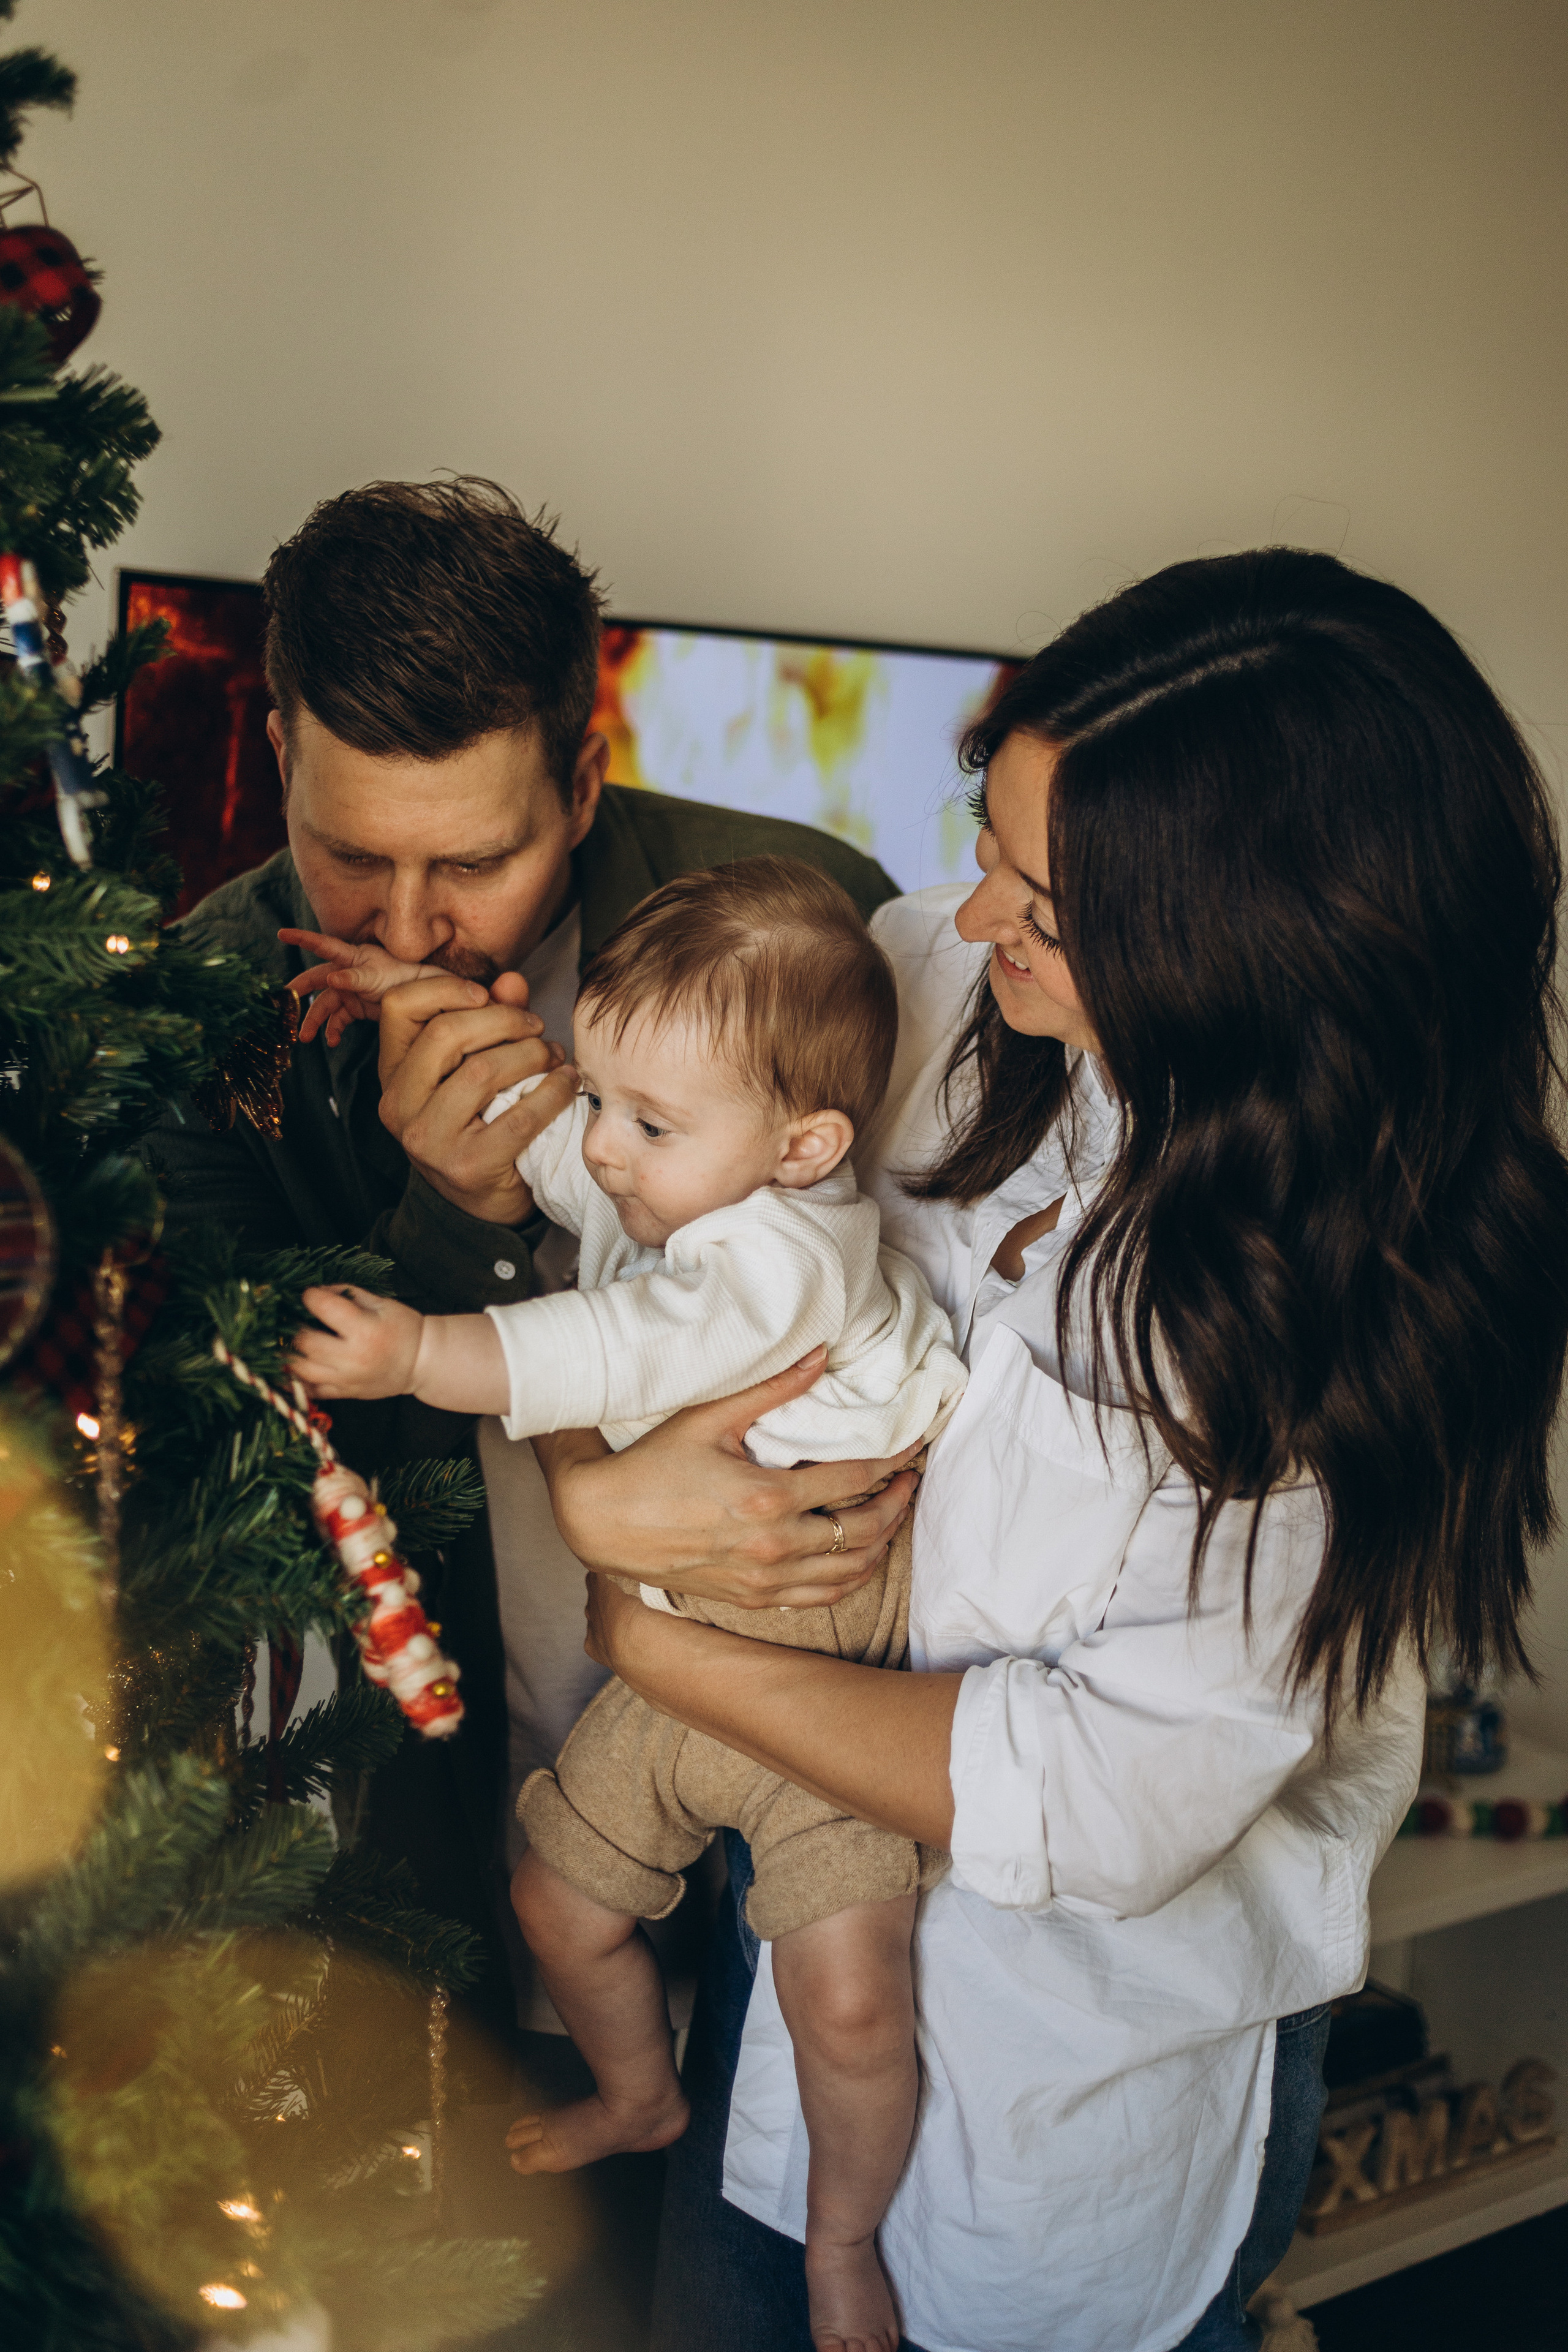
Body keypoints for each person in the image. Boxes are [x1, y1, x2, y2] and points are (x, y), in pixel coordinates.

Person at [484, 550, 1568, 2351]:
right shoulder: (923, 982)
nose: (970, 918)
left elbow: (1102, 1798)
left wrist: (658, 1637)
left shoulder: (1320, 1325)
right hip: (802, 1930)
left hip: (1061, 2076)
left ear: (1239, 959)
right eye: (983, 839)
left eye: (1044, 906)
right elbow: (699, 1288)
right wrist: (601, 1483)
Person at [145, 477, 904, 2045]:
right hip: (439, 1835)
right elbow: (248, 1497)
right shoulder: (192, 1017)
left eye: (474, 864)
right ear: (278, 755)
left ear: (580, 779)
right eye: (350, 856)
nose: (410, 930)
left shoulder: (815, 926)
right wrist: (456, 1224)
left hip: (823, 1776)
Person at [285, 856, 965, 2352]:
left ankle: (843, 2240)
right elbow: (542, 1143)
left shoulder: (773, 1256)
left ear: (805, 1144)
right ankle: (640, 2092)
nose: (602, 1150)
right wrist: (433, 1016)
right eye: (603, 1096)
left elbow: (592, 1347)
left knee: (846, 2002)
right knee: (554, 1895)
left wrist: (414, 1355)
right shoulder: (664, 1173)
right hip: (665, 1679)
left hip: (808, 1697)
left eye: (645, 1122)